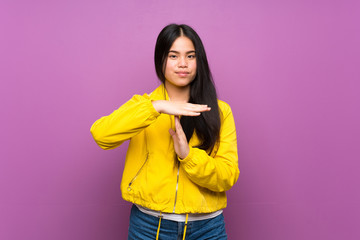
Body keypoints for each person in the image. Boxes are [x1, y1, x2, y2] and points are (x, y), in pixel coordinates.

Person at [90, 23, 239, 240]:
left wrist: (188, 156)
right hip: (149, 226)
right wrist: (156, 107)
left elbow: (227, 177)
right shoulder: (143, 106)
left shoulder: (220, 111)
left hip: (207, 229)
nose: (182, 64)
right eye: (173, 56)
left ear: (199, 61)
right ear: (161, 59)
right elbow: (101, 135)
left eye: (190, 56)